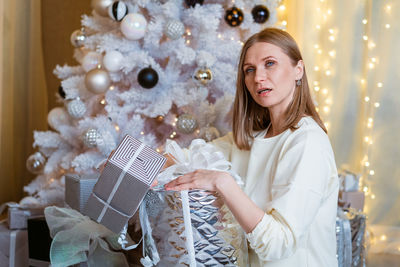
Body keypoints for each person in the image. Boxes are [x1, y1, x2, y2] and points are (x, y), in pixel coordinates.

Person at [164, 28, 339, 267]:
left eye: (270, 64)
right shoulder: (248, 140)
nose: (258, 78)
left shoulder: (307, 142)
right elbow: (184, 158)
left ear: (298, 70)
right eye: (250, 70)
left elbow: (279, 243)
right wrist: (129, 160)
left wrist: (223, 182)